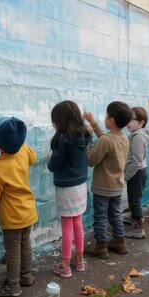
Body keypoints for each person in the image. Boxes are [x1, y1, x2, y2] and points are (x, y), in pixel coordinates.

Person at [0, 117, 38, 297]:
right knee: (25, 245)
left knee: (13, 251)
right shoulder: (23, 151)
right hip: (28, 212)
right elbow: (33, 156)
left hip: (12, 218)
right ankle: (26, 277)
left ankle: (13, 286)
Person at [47, 101, 91, 278]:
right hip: (80, 185)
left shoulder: (62, 140)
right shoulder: (84, 136)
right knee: (78, 222)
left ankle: (65, 265)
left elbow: (53, 166)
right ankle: (79, 260)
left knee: (66, 226)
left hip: (66, 187)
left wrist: (51, 157)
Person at [84, 102, 133, 259]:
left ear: (111, 120)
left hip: (102, 187)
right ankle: (120, 242)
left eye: (106, 116)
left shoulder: (106, 140)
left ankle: (101, 247)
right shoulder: (124, 138)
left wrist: (89, 141)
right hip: (117, 187)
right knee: (115, 215)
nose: (104, 118)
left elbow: (92, 160)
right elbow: (106, 140)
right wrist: (94, 123)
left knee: (100, 217)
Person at [124, 107, 149, 239]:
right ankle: (135, 220)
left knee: (134, 200)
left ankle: (139, 230)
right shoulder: (138, 135)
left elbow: (136, 160)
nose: (128, 122)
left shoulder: (137, 137)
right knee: (134, 199)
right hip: (138, 171)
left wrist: (125, 175)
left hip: (137, 172)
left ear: (141, 122)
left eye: (132, 119)